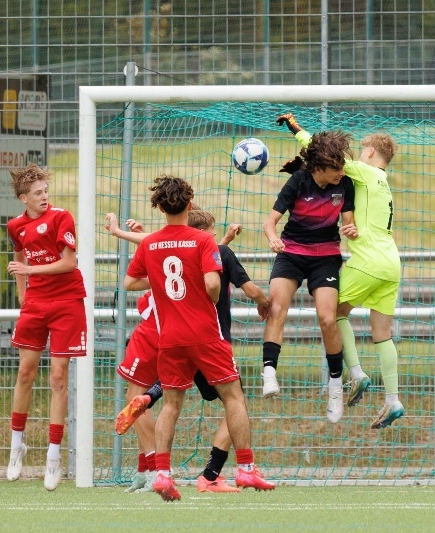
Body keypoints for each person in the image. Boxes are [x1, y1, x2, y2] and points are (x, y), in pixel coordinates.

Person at [123, 175, 274, 500]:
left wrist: (160, 282)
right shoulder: (203, 240)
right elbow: (213, 285)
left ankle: (162, 474)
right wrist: (208, 294)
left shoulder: (149, 244)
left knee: (171, 404)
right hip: (205, 334)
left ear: (160, 208)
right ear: (190, 204)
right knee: (233, 397)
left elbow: (130, 283)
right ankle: (246, 468)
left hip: (169, 337)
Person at [276, 113, 405, 429]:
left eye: (361, 151)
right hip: (391, 263)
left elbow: (322, 151)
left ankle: (356, 373)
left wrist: (295, 128)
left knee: (332, 314)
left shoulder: (365, 172)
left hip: (369, 262)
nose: (354, 158)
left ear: (370, 152)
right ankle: (393, 399)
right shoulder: (382, 183)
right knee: (382, 334)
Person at [260, 128, 356, 425]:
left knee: (327, 318)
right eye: (335, 168)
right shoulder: (298, 181)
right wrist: (273, 238)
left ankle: (336, 385)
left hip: (325, 257)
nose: (342, 172)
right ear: (319, 167)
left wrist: (351, 229)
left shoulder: (345, 185)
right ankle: (269, 373)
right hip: (291, 253)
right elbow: (270, 222)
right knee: (276, 308)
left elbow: (348, 221)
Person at [4, 164, 88, 491]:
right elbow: (19, 260)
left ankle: (53, 457)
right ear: (23, 198)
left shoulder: (61, 217)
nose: (44, 196)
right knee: (25, 372)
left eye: (45, 191)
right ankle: (16, 447)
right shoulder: (15, 225)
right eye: (37, 193)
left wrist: (30, 271)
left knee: (58, 377)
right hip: (36, 304)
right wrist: (23, 296)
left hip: (67, 302)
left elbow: (69, 262)